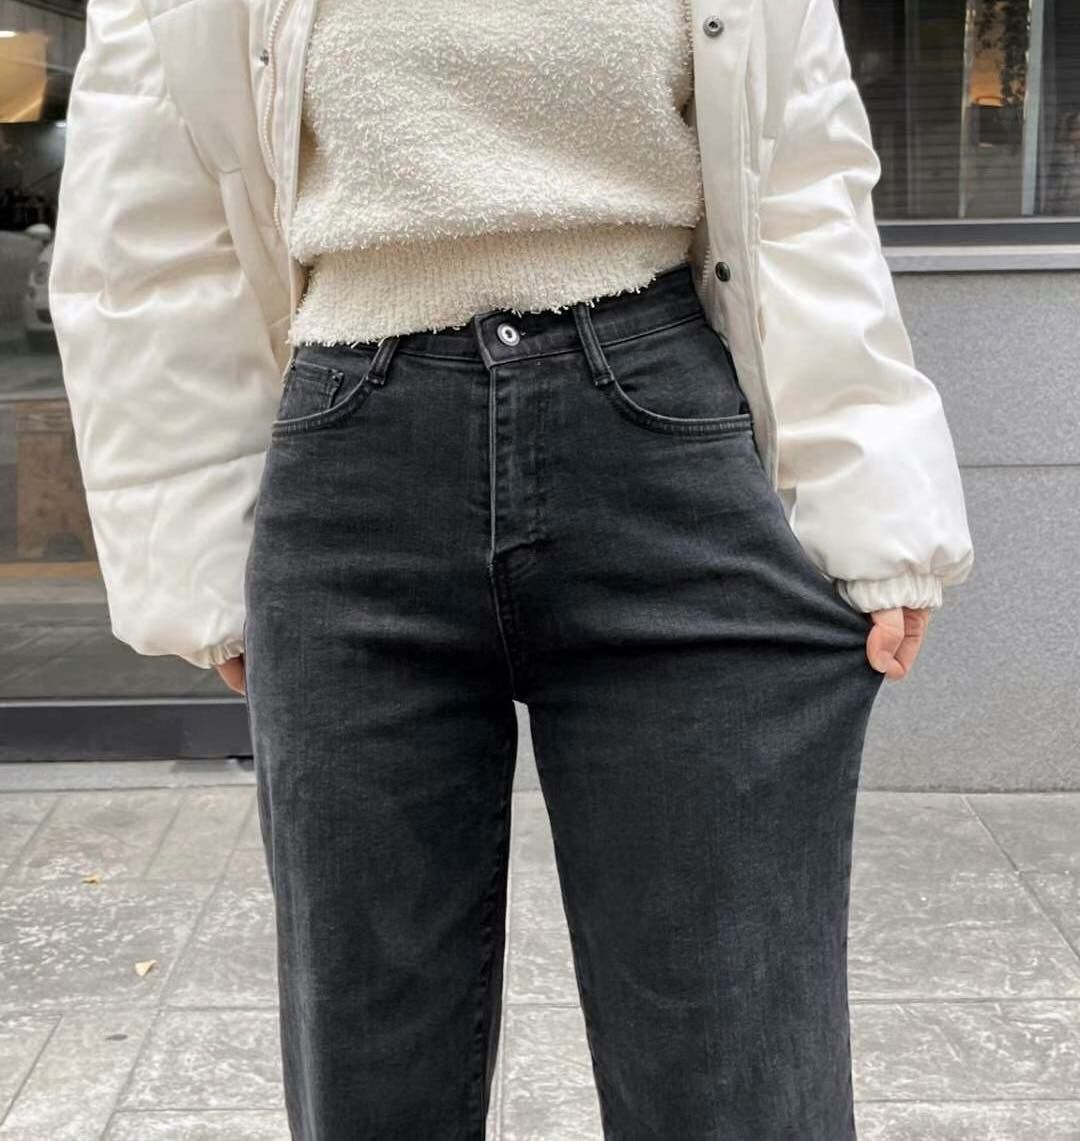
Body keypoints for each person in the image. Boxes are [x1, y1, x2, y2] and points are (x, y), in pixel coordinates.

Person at [48, 0, 975, 1137]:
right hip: (353, 457)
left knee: (737, 1071)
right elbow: (148, 234)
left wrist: (875, 499)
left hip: (666, 436)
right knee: (371, 1073)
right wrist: (198, 563)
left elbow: (804, 180)